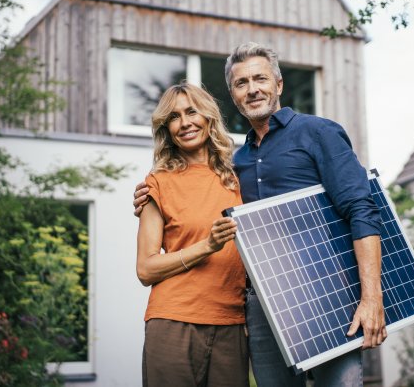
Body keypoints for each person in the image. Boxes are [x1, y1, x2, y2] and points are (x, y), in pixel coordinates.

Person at [135, 43, 386, 387]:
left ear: (278, 84)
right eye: (242, 83)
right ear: (233, 96)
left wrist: (372, 298)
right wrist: (151, 198)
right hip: (261, 307)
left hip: (325, 294)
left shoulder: (315, 133)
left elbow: (361, 208)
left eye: (260, 79)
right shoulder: (236, 164)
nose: (252, 89)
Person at [136, 82, 248, 387]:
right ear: (166, 129)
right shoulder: (158, 182)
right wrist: (207, 246)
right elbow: (145, 269)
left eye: (191, 112)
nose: (185, 123)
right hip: (173, 322)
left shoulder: (239, 180)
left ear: (209, 117)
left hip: (232, 326)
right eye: (173, 117)